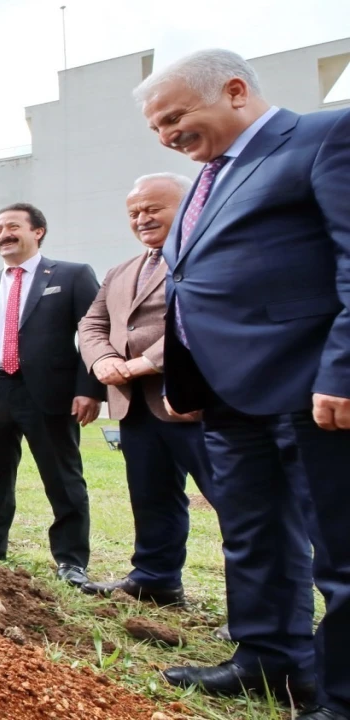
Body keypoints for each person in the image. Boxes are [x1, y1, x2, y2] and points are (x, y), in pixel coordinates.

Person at [135, 49, 350, 719]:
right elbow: (191, 281)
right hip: (229, 396)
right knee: (253, 535)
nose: (167, 135)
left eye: (175, 117)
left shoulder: (324, 137)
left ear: (233, 91)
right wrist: (187, 378)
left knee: (340, 551)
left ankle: (341, 697)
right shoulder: (207, 179)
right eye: (157, 127)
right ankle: (268, 660)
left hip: (311, 386)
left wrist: (344, 370)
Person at [77, 173, 216, 606]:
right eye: (134, 212)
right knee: (152, 497)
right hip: (135, 407)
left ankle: (259, 610)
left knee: (237, 504)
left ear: (189, 205)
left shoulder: (209, 255)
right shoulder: (120, 271)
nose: (142, 219)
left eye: (153, 209)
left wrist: (148, 361)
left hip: (194, 401)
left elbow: (204, 315)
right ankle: (156, 580)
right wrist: (103, 360)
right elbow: (92, 323)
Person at [0, 203, 105, 589]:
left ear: (38, 231)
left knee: (62, 477)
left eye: (12, 226)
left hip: (49, 394)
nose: (3, 234)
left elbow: (94, 334)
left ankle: (71, 559)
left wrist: (89, 389)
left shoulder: (72, 275)